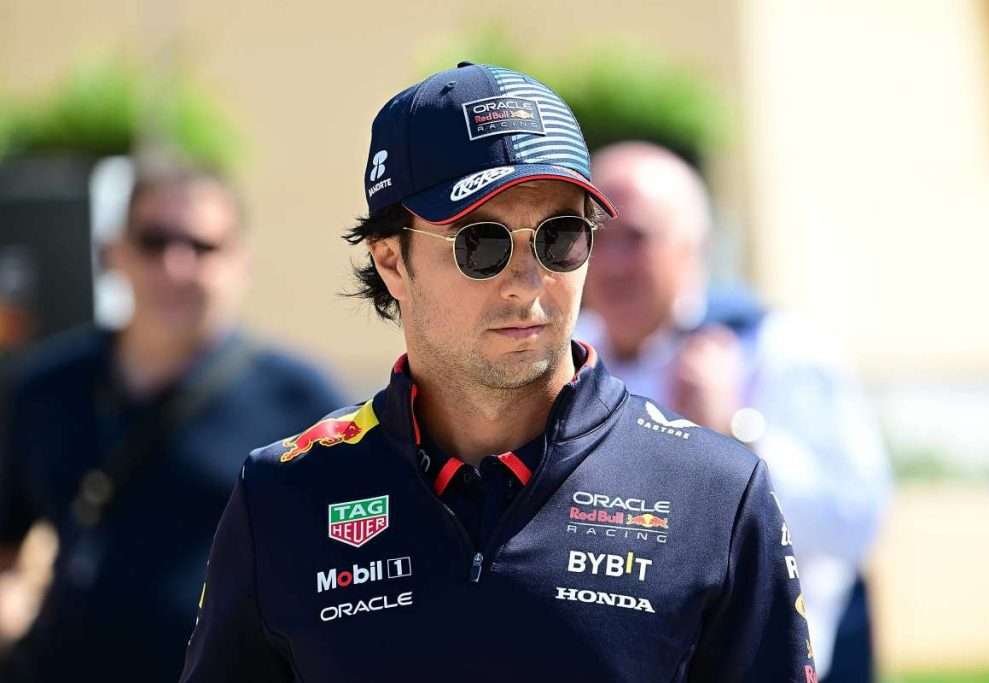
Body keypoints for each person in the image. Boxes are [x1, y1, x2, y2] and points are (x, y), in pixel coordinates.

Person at [180, 63, 817, 683]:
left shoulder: (717, 492)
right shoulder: (283, 495)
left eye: (560, 237)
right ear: (392, 261)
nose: (528, 281)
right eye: (481, 243)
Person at [0, 162, 347, 681]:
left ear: (241, 262)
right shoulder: (44, 388)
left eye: (201, 247)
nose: (174, 265)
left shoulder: (302, 402)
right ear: (114, 252)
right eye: (153, 241)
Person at [580, 141, 892, 681]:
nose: (611, 263)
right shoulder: (563, 355)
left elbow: (856, 522)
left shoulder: (777, 351)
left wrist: (734, 433)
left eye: (637, 238)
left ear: (694, 246)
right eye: (596, 237)